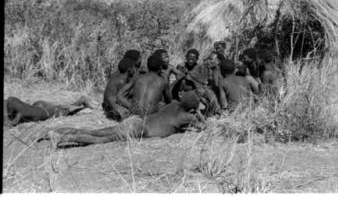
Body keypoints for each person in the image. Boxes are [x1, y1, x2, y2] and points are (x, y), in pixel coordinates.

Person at [39, 91, 204, 148]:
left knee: (96, 132)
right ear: (192, 107)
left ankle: (53, 131)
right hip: (140, 130)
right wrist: (198, 113)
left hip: (135, 121)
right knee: (101, 140)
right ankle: (64, 138)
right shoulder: (187, 117)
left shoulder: (173, 104)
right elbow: (203, 126)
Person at [4, 95, 93, 127]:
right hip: (38, 106)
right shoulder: (15, 104)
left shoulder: (20, 111)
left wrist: (8, 120)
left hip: (44, 112)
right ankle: (79, 102)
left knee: (64, 111)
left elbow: (12, 124)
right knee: (61, 109)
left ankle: (81, 101)